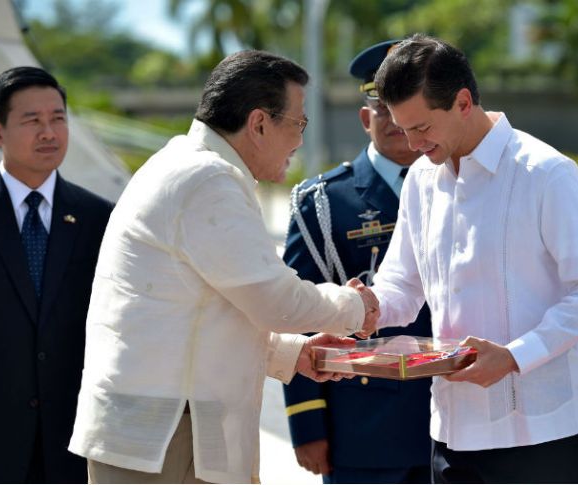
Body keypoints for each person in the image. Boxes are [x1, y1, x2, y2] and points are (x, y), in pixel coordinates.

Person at [67, 50, 379, 484]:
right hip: (167, 438)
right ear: (259, 123)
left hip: (164, 434)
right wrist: (357, 306)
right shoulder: (207, 179)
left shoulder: (187, 165)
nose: (300, 140)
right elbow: (274, 299)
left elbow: (210, 311)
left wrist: (295, 353)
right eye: (298, 123)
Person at [368, 34, 578, 484]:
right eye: (403, 128)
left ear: (463, 102)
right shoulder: (421, 181)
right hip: (451, 432)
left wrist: (513, 356)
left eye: (422, 128)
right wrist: (362, 307)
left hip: (539, 436)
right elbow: (402, 287)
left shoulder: (546, 173)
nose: (411, 143)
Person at [281, 40, 432, 484]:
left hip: (455, 418)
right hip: (363, 429)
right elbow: (298, 314)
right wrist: (307, 424)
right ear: (366, 118)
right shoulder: (324, 202)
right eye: (382, 108)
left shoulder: (459, 190)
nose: (395, 121)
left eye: (404, 107)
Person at [0, 66, 115, 483]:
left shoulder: (101, 218)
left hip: (75, 442)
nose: (49, 132)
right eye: (32, 121)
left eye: (58, 118)